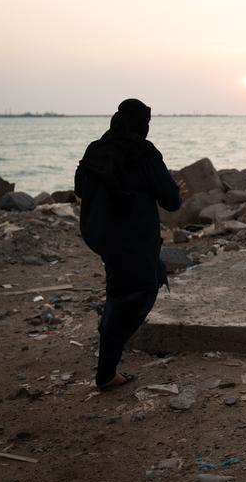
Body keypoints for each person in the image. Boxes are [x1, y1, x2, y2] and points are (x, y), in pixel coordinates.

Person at [74, 99, 181, 390]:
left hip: (103, 237)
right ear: (141, 125)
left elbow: (81, 189)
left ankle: (108, 352)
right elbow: (171, 201)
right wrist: (173, 188)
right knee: (136, 296)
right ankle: (107, 372)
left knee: (129, 286)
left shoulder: (96, 150)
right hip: (134, 239)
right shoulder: (143, 152)